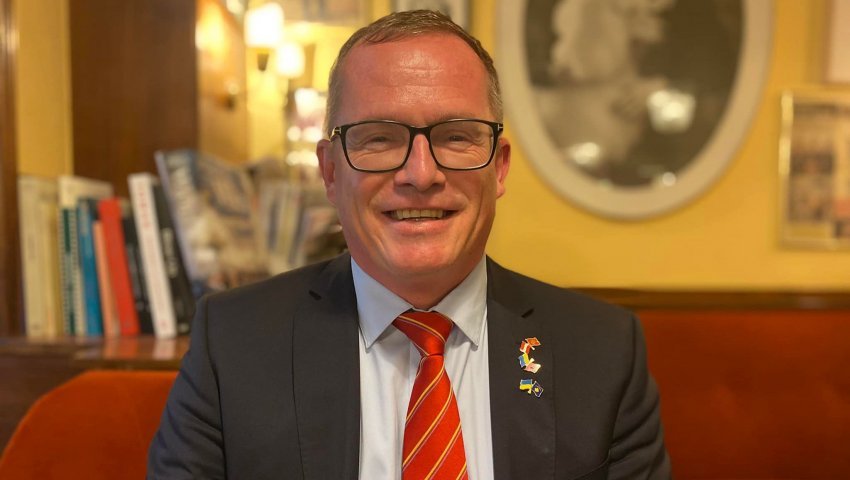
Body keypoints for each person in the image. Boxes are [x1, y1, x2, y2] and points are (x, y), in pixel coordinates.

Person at [147, 10, 670, 479]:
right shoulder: (232, 345)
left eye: (456, 136)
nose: (421, 174)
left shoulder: (603, 354)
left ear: (499, 167)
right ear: (330, 172)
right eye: (379, 137)